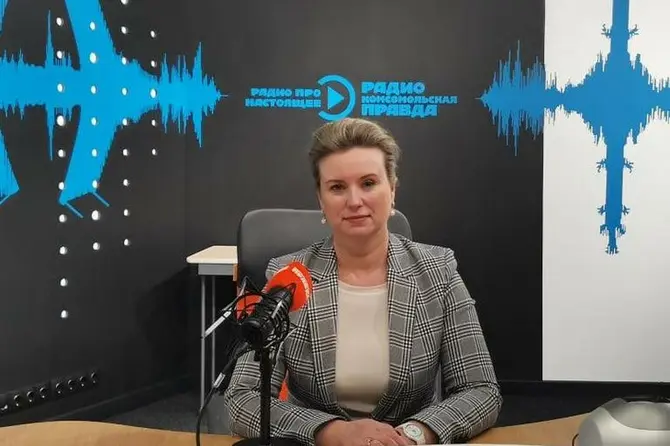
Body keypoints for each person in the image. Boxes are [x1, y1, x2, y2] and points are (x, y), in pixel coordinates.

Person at [223, 117, 502, 446]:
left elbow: (480, 390)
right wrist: (330, 431)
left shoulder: (437, 271)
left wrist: (413, 434)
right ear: (321, 199)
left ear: (392, 190)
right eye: (337, 187)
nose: (354, 201)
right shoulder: (290, 275)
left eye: (368, 183)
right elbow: (242, 398)